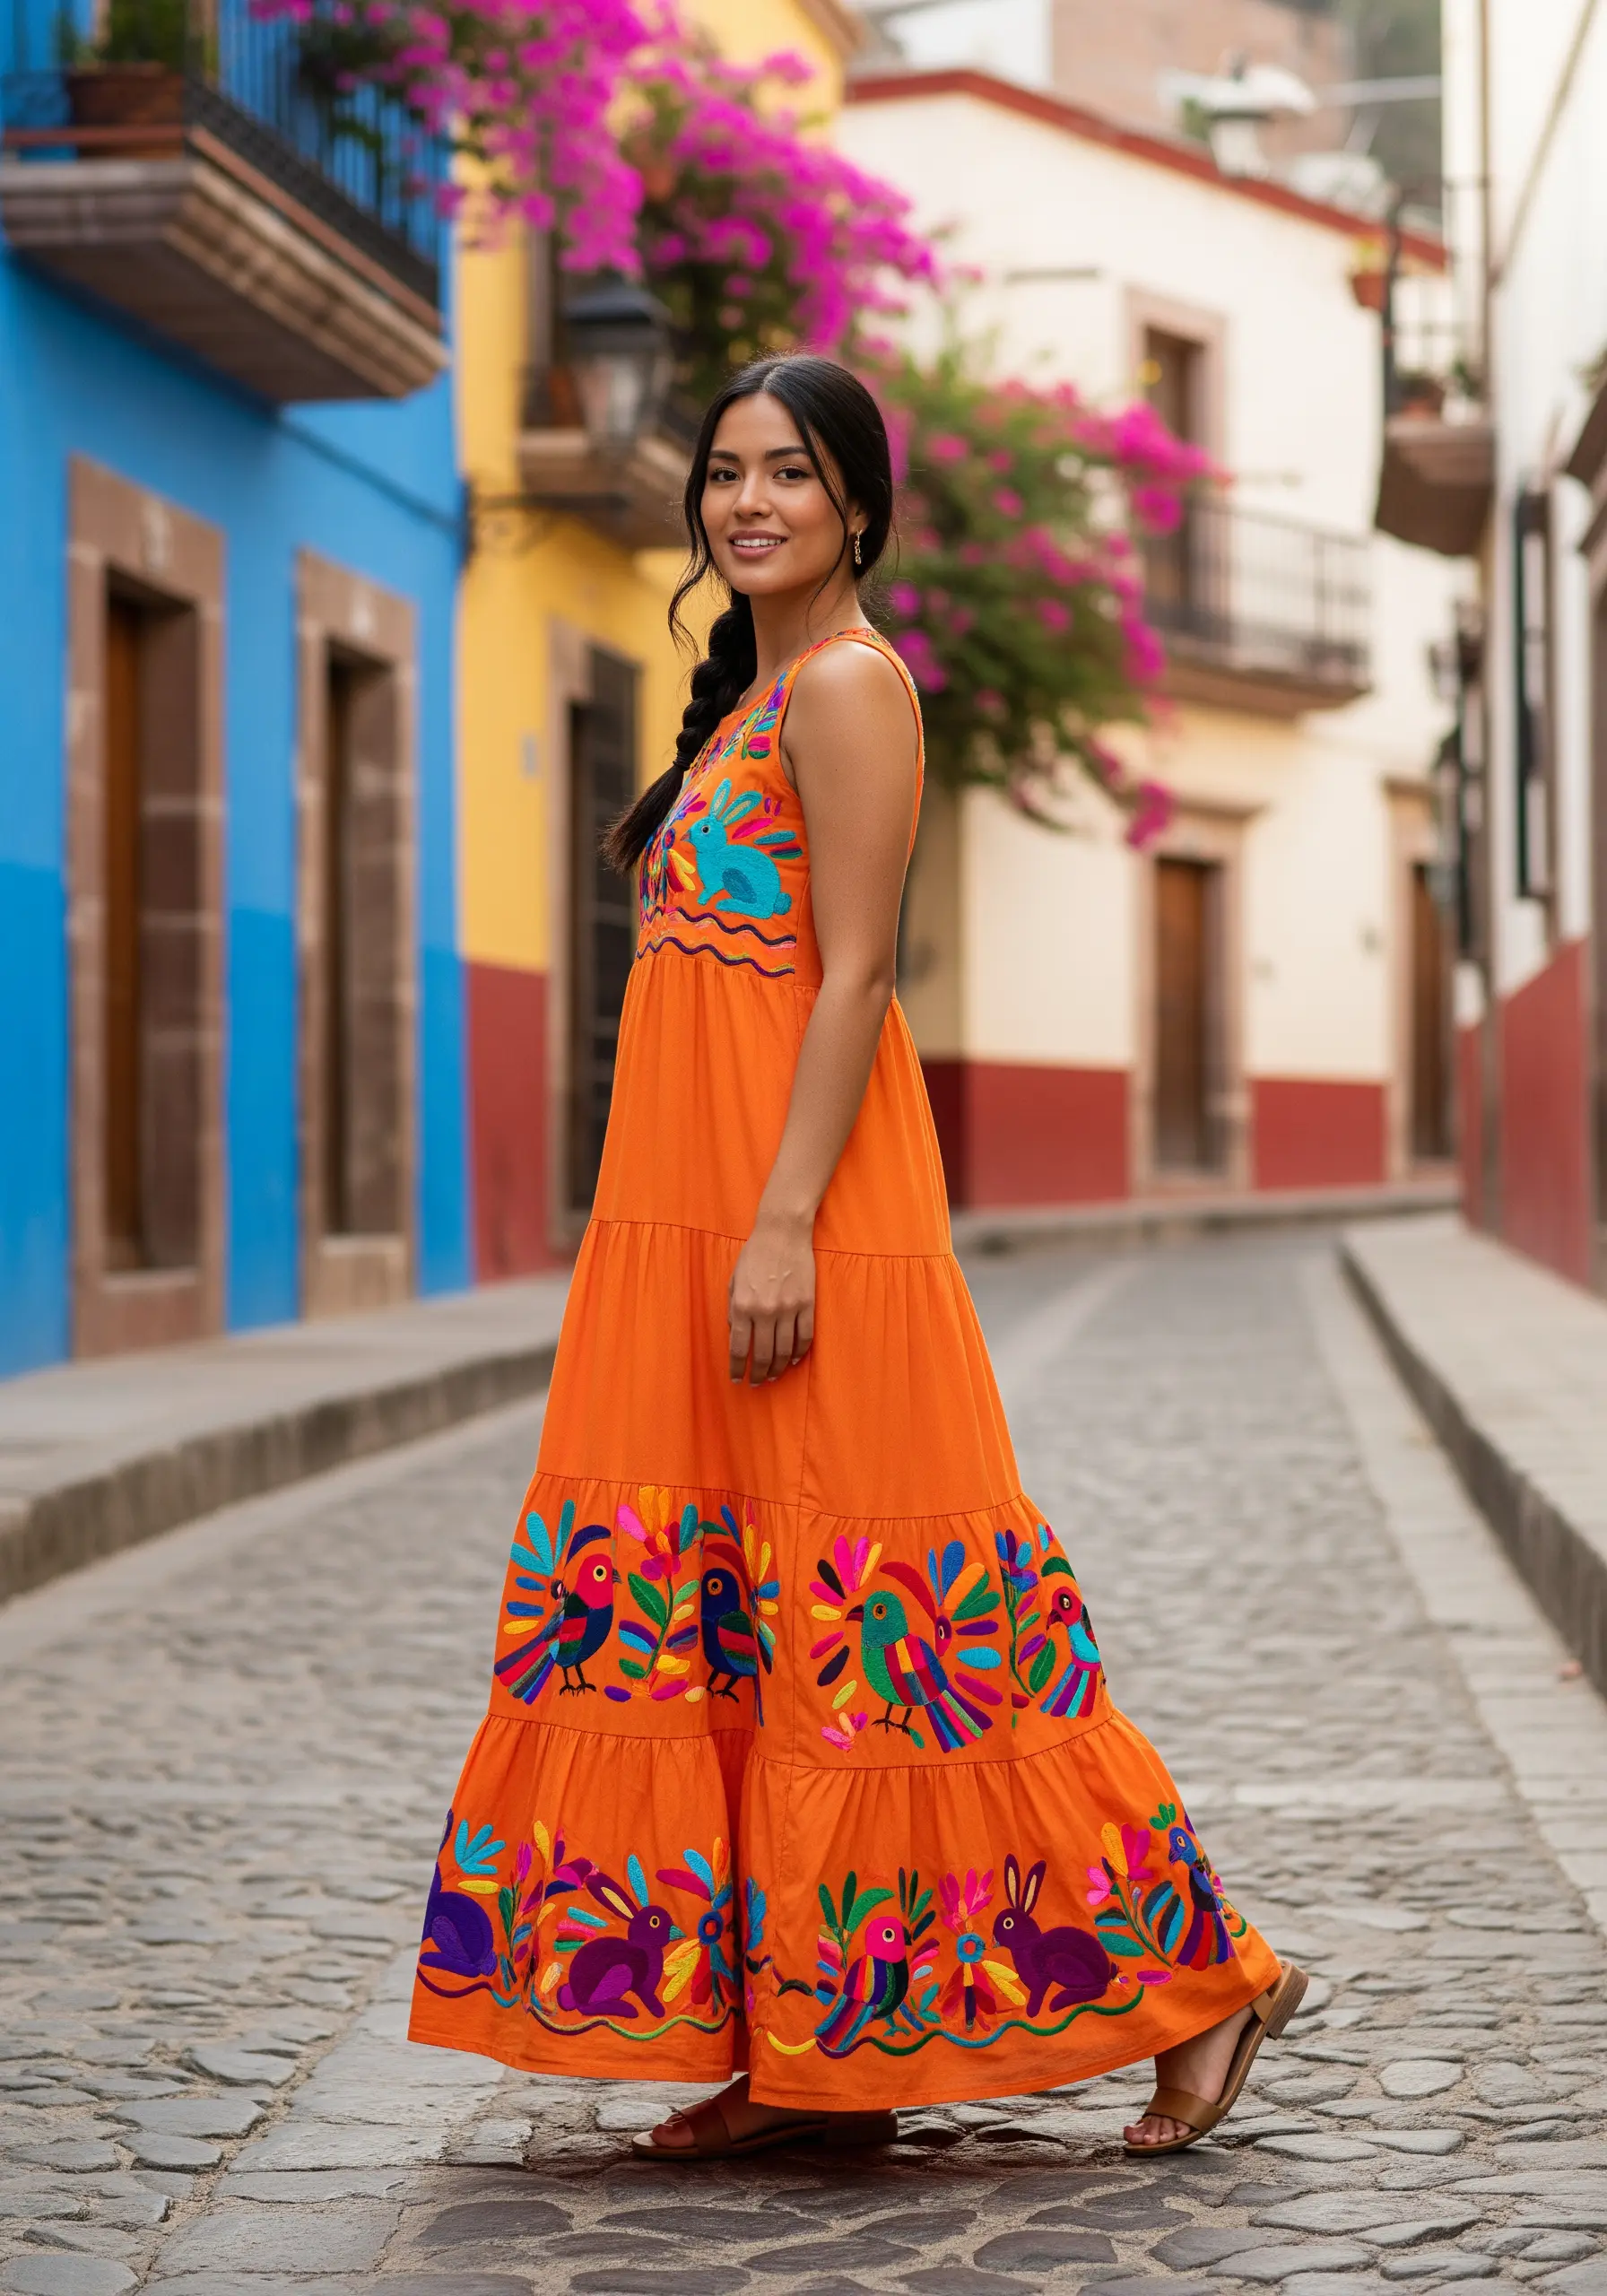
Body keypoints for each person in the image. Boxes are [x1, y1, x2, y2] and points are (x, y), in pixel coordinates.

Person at [408, 352, 1305, 2159]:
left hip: (796, 1228)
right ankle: (817, 2057)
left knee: (915, 1641)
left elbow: (858, 975)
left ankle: (1209, 1983)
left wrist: (782, 1221)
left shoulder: (845, 685)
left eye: (788, 475)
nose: (746, 501)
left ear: (856, 509)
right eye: (725, 472)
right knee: (745, 1644)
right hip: (683, 1233)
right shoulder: (744, 705)